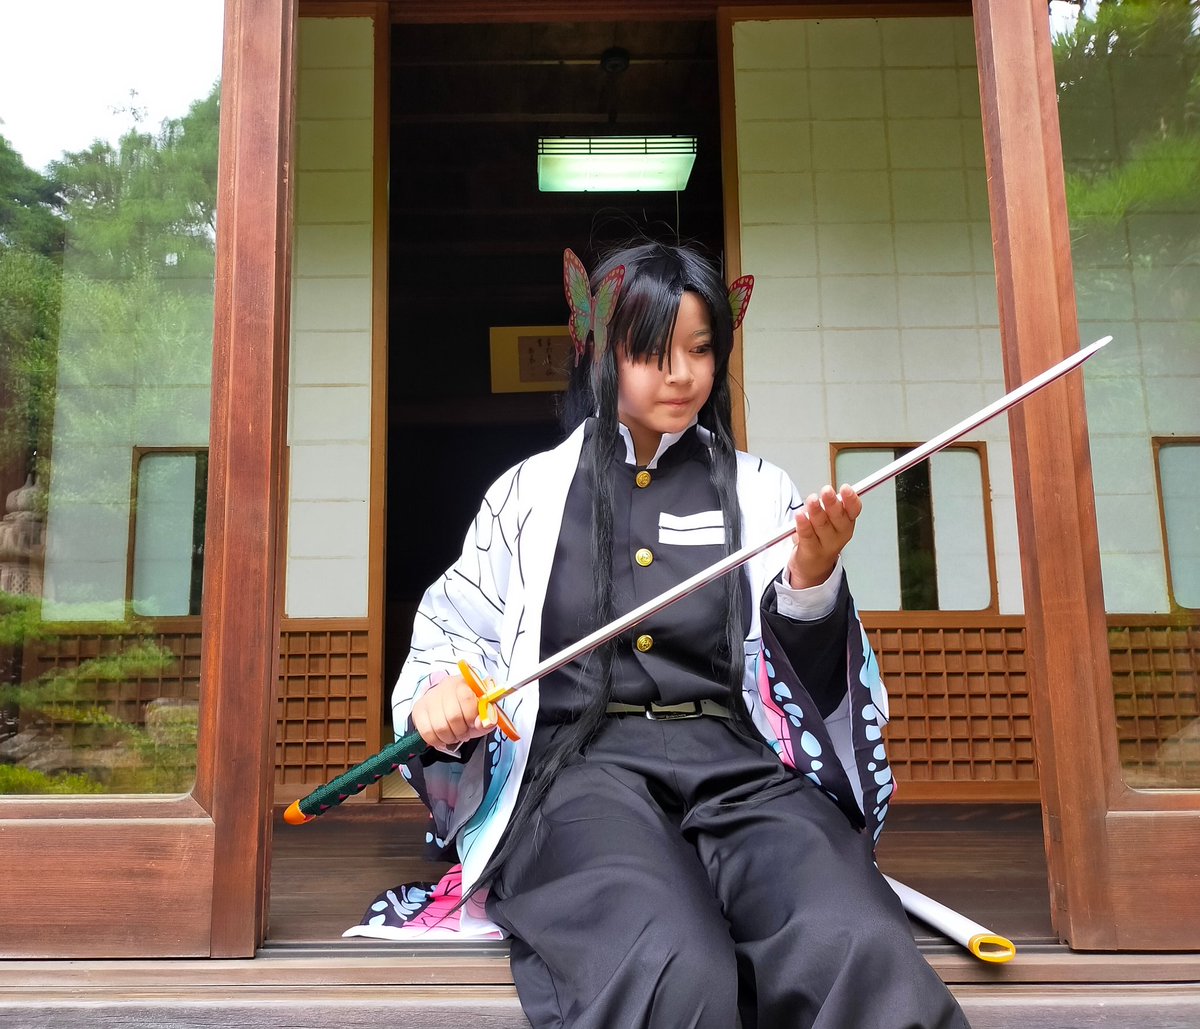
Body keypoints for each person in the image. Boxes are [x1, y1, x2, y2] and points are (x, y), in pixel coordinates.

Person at [393, 242, 970, 1028]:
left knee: (854, 938)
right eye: (653, 352)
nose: (682, 374)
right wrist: (442, 693)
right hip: (580, 771)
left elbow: (809, 686)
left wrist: (812, 577)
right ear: (602, 353)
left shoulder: (761, 491)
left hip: (739, 765)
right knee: (671, 959)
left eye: (700, 349)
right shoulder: (528, 494)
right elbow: (455, 635)